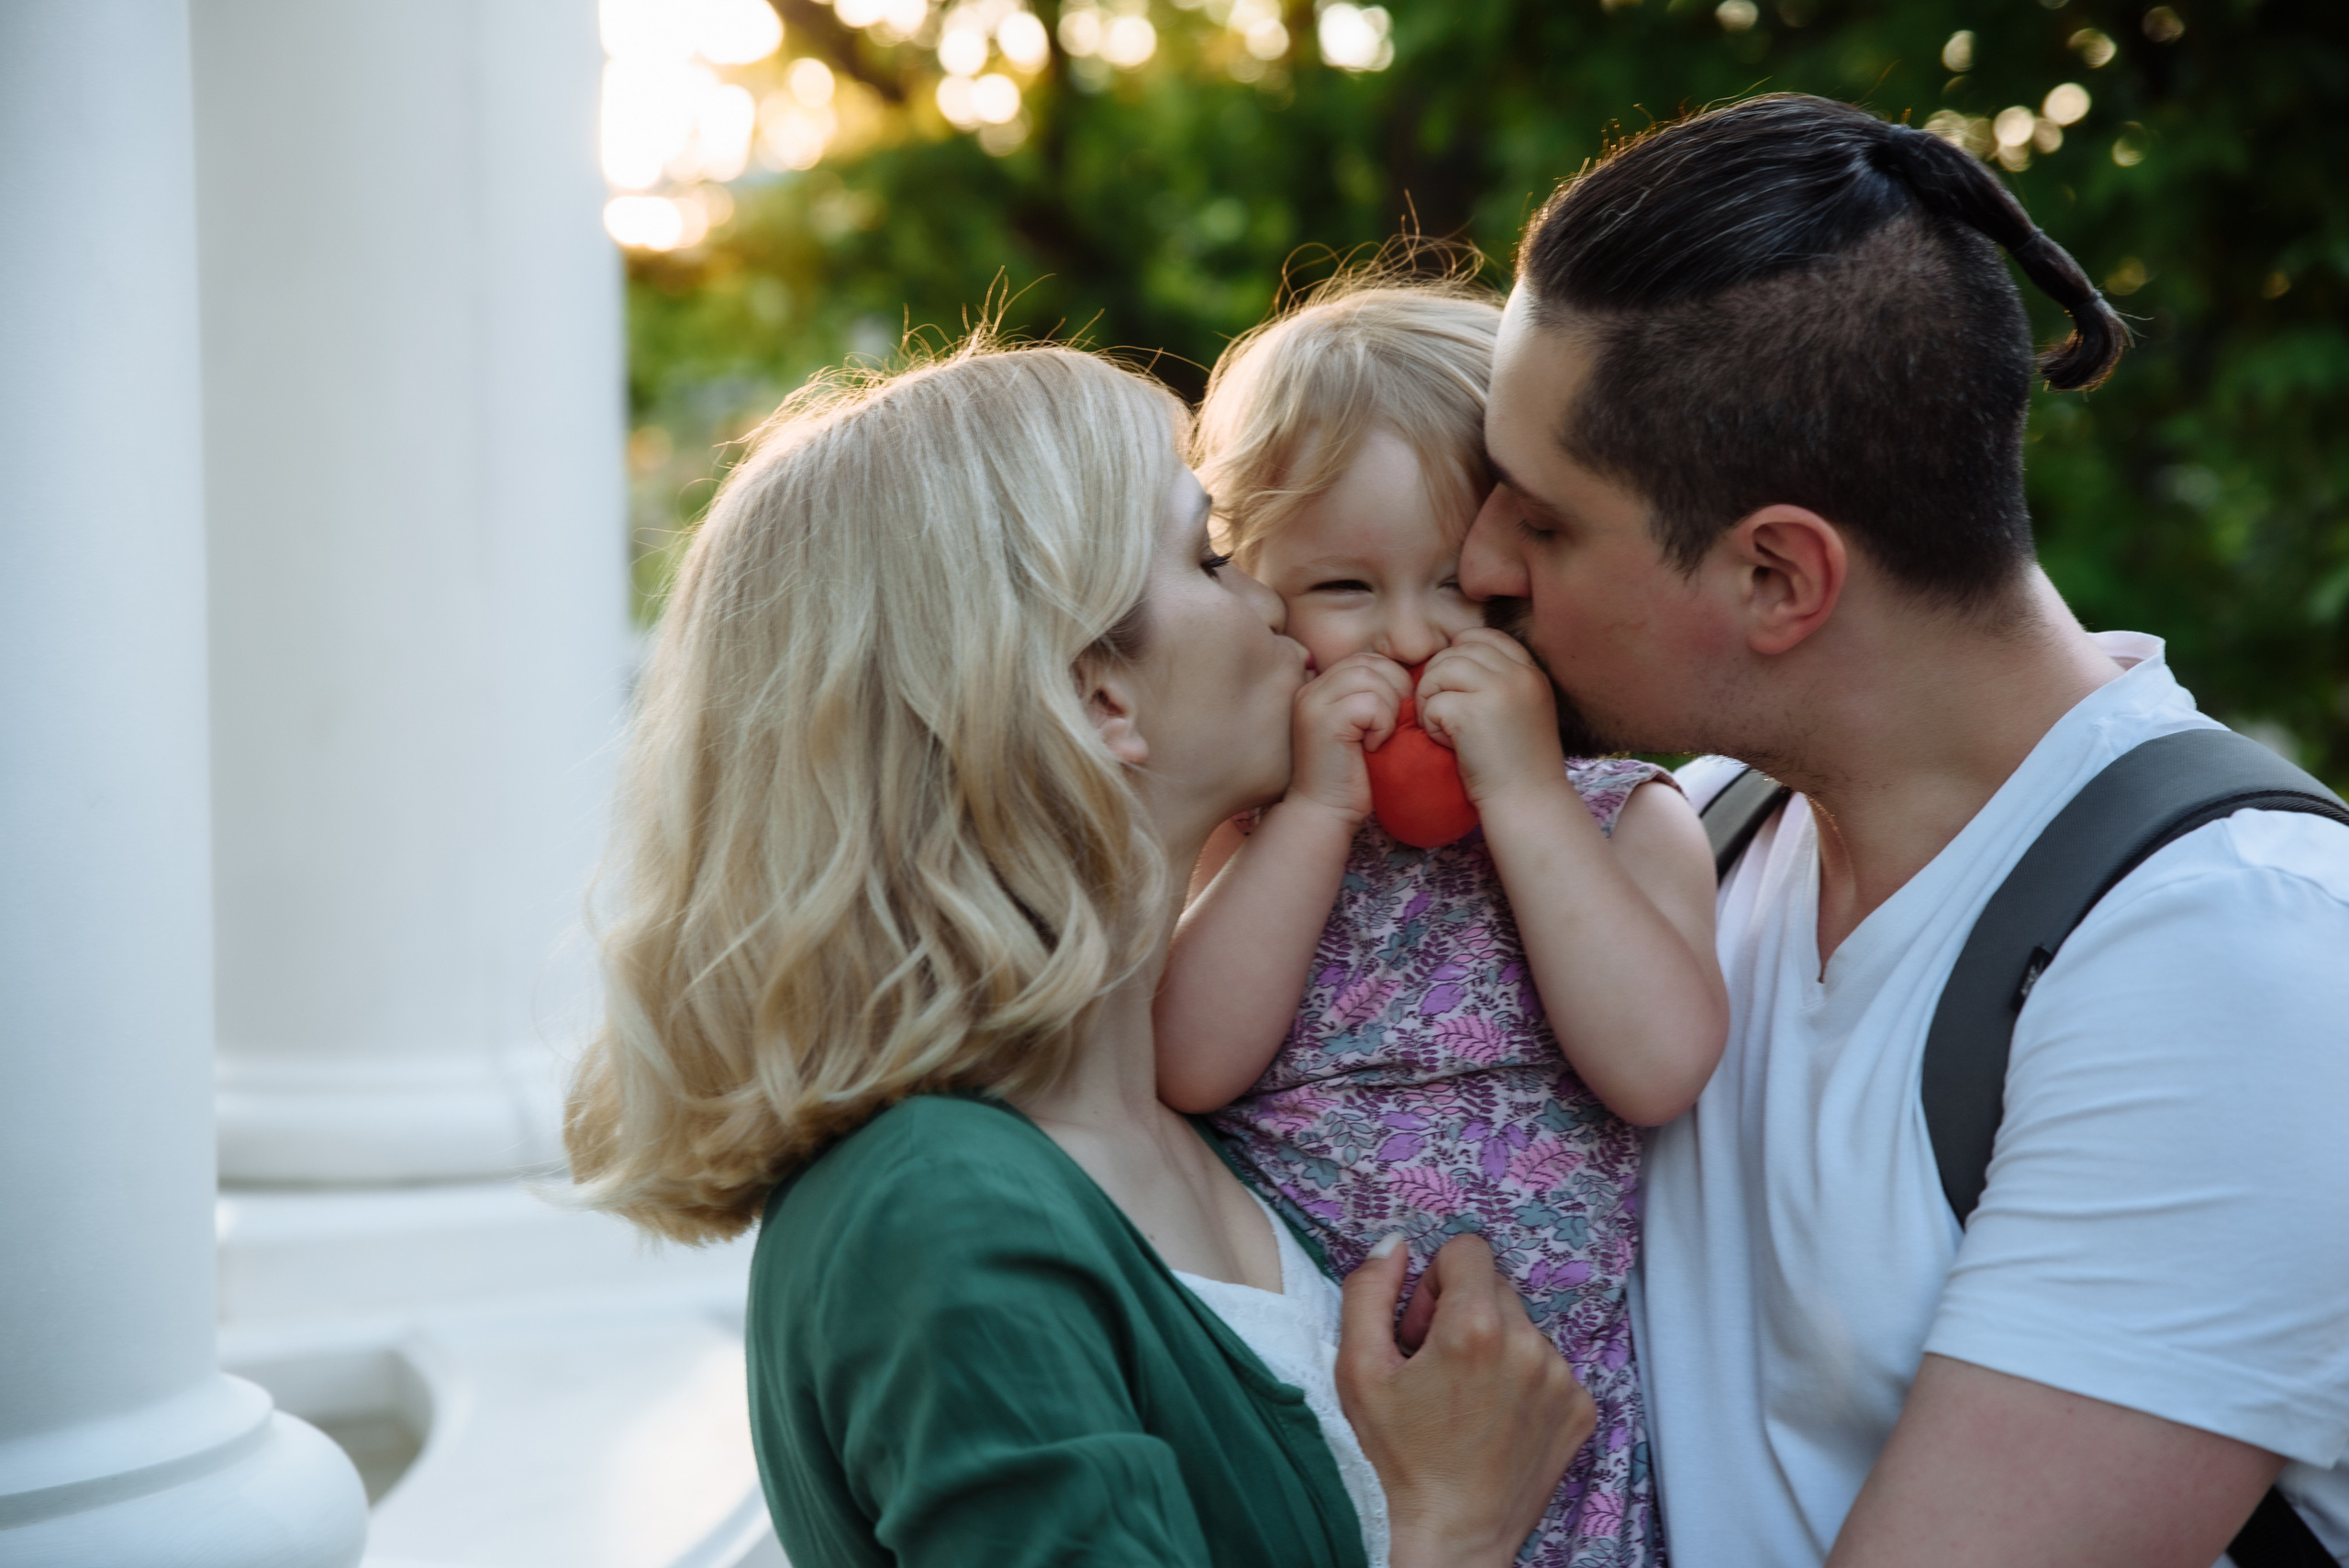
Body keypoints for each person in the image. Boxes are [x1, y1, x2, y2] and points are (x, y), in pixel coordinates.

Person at [1459, 93, 2349, 1567]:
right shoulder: (1699, 845)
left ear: (1776, 577)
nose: (1479, 560)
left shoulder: (2234, 965)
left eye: (1544, 523)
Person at [562, 339, 1596, 1568]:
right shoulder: (938, 1216)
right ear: (1099, 695)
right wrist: (1459, 1524)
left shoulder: (1212, 1124)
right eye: (1210, 556)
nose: (1272, 598)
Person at [1154, 272, 1725, 1567]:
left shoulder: (1622, 815)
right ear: (1253, 589)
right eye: (1345, 587)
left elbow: (1659, 1065)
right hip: (1305, 1402)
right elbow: (1189, 1061)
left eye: (1462, 590)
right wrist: (1309, 813)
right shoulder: (1258, 827)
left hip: (1552, 1427)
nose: (1413, 638)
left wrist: (1522, 791)